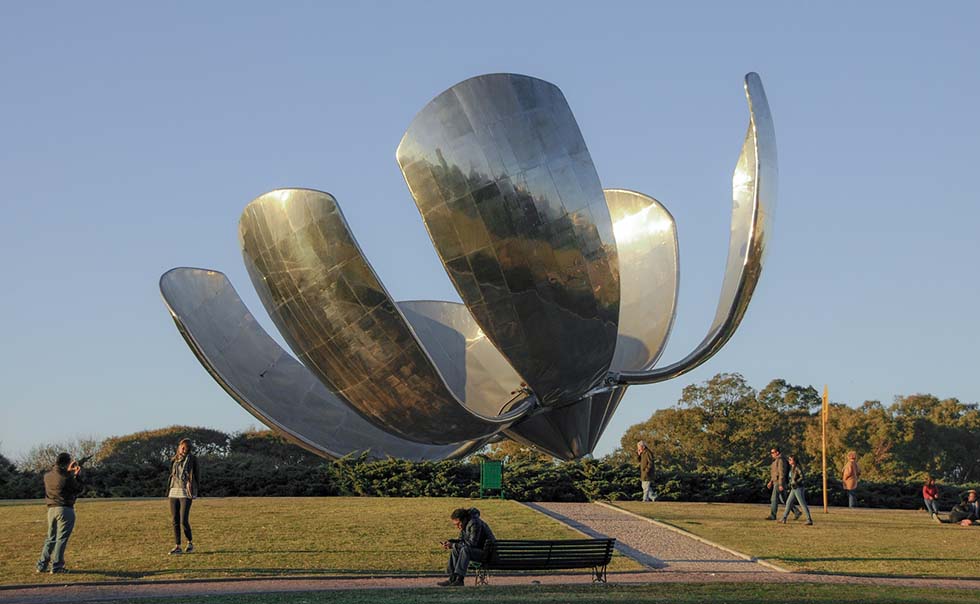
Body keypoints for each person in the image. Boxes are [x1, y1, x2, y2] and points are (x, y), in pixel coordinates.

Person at [36, 452, 84, 573]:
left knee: (50, 538)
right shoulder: (67, 478)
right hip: (65, 509)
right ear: (66, 463)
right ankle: (57, 566)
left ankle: (42, 565)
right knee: (61, 538)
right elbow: (78, 489)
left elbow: (60, 478)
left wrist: (68, 471)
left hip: (51, 509)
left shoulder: (47, 476)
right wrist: (77, 475)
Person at [438, 507, 496, 586]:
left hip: (487, 553)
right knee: (456, 549)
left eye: (458, 524)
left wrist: (453, 545)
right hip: (478, 551)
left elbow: (472, 543)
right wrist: (451, 542)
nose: (457, 527)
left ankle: (460, 579)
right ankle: (452, 578)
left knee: (465, 550)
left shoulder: (474, 523)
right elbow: (461, 541)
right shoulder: (465, 525)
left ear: (464, 519)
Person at [168, 438, 200, 555]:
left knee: (183, 520)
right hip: (173, 492)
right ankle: (177, 546)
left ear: (188, 448)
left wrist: (195, 491)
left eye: (185, 447)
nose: (182, 449)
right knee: (174, 520)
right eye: (181, 446)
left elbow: (196, 476)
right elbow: (172, 475)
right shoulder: (174, 459)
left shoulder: (192, 459)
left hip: (185, 493)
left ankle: (190, 543)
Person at [779, 455, 813, 525]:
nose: (789, 461)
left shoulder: (797, 467)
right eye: (789, 459)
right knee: (788, 502)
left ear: (794, 461)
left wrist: (796, 482)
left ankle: (809, 519)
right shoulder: (792, 468)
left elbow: (802, 476)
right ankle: (784, 518)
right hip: (793, 488)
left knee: (802, 504)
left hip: (798, 488)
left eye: (790, 459)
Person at [766, 447, 791, 520]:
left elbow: (781, 473)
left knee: (774, 499)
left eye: (773, 452)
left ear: (777, 452)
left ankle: (773, 515)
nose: (772, 454)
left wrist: (780, 484)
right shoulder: (776, 461)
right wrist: (770, 481)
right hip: (775, 481)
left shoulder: (780, 460)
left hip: (779, 482)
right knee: (785, 500)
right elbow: (775, 473)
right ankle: (796, 512)